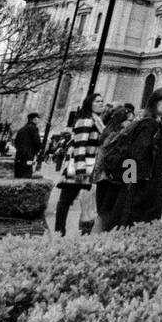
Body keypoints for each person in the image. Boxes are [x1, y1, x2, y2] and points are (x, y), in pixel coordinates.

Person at [112, 88, 162, 228]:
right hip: (144, 187)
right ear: (154, 102)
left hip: (151, 184)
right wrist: (130, 186)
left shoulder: (158, 125)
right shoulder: (149, 124)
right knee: (137, 223)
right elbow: (135, 155)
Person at [54, 92, 106, 236]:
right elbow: (79, 146)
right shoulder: (86, 121)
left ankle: (80, 231)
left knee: (85, 203)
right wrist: (80, 169)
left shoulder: (97, 121)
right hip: (81, 168)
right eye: (97, 101)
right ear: (89, 104)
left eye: (102, 101)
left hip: (90, 167)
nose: (101, 104)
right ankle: (59, 232)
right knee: (65, 201)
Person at [90, 105, 135, 233]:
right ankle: (96, 243)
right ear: (121, 121)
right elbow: (126, 158)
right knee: (107, 214)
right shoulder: (121, 136)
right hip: (113, 179)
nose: (132, 123)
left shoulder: (107, 134)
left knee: (102, 212)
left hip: (101, 178)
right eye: (130, 121)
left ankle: (93, 240)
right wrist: (131, 179)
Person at [13, 113, 41, 178]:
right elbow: (37, 142)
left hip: (19, 154)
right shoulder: (34, 128)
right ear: (34, 119)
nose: (38, 121)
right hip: (29, 155)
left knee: (19, 172)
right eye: (37, 119)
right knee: (27, 171)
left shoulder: (21, 129)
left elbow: (16, 142)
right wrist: (38, 150)